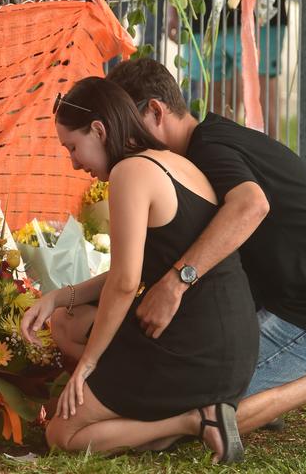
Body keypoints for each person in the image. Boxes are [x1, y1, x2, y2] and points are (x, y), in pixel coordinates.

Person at [101, 57, 306, 400]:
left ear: (156, 112)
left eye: (124, 127)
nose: (121, 144)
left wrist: (176, 283)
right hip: (284, 304)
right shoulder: (201, 148)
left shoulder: (209, 149)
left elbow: (251, 205)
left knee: (202, 402)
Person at [23, 76, 261, 463]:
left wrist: (87, 366)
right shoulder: (173, 162)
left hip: (190, 350)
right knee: (66, 321)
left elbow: (125, 282)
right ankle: (166, 423)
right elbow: (138, 269)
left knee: (62, 433)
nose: (73, 162)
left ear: (99, 130)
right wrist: (57, 297)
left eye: (73, 148)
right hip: (232, 347)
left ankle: (193, 422)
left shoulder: (130, 173)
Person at [168, 0, 287, 137]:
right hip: (202, 13)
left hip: (260, 14)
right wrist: (172, 8)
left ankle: (267, 159)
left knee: (259, 109)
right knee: (213, 110)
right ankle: (227, 158)